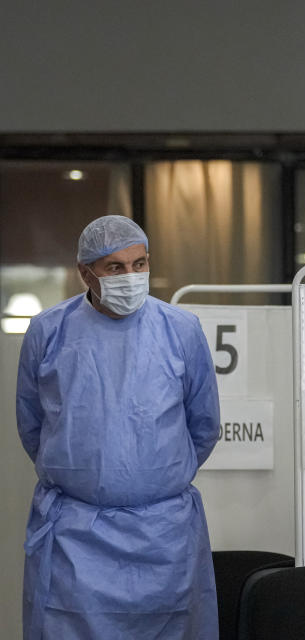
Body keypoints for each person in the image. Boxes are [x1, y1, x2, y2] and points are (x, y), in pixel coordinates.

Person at [15, 215, 220, 639]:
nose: (131, 276)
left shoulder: (181, 331)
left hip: (163, 534)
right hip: (76, 536)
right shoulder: (49, 332)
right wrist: (87, 474)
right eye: (115, 267)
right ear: (84, 273)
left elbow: (203, 426)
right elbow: (32, 423)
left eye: (139, 264)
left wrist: (147, 478)